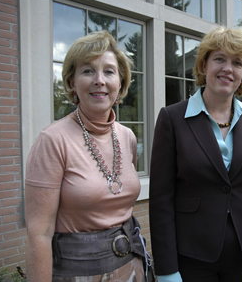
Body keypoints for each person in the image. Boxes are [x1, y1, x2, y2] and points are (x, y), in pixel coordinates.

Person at [149, 26, 242, 282]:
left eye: (237, 63)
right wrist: (167, 271)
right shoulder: (172, 118)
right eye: (219, 59)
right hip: (192, 258)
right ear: (204, 64)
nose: (227, 69)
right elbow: (161, 200)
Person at [25, 31, 151, 281]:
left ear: (121, 82)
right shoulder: (52, 141)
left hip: (131, 268)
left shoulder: (127, 137)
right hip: (77, 273)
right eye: (88, 71)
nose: (99, 80)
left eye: (109, 71)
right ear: (72, 82)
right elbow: (39, 233)